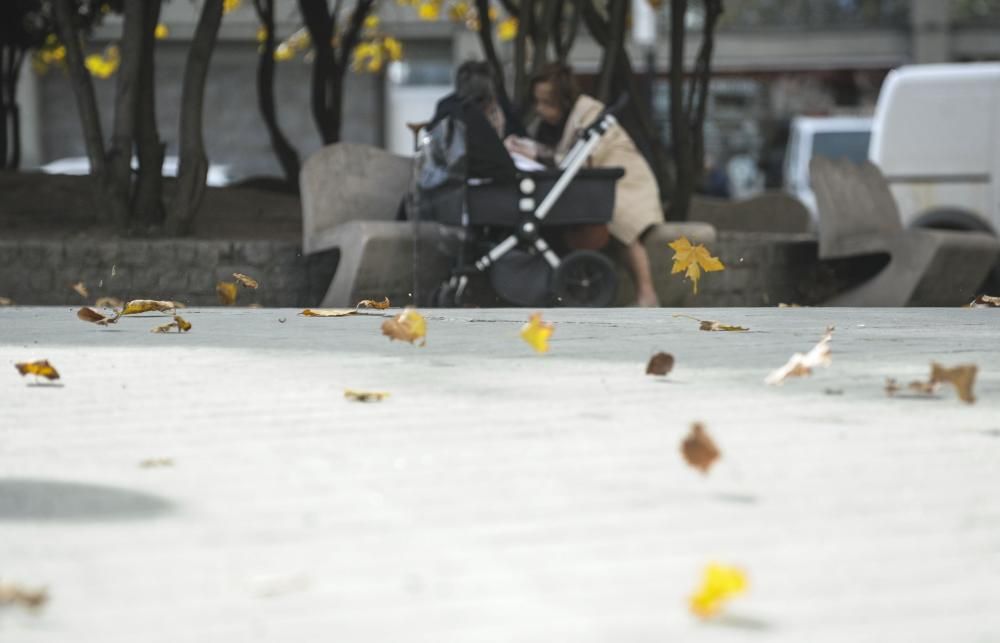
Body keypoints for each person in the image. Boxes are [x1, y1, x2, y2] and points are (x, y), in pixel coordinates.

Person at [505, 63, 664, 307]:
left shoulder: (588, 113)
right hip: (598, 182)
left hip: (626, 182)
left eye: (547, 103)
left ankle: (647, 294)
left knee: (624, 224)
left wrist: (536, 154)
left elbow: (581, 157)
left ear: (563, 99)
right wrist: (529, 148)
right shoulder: (556, 123)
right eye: (538, 103)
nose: (541, 110)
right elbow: (563, 155)